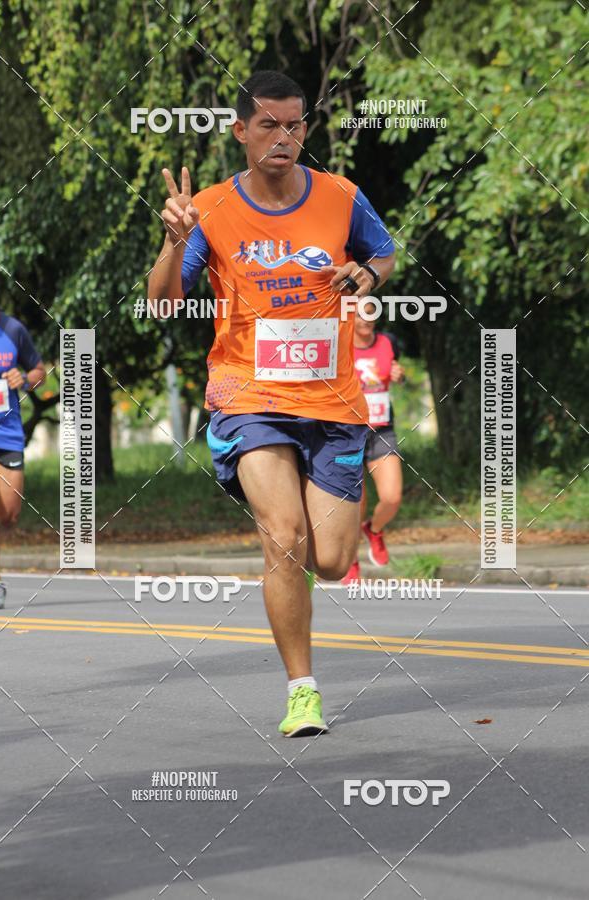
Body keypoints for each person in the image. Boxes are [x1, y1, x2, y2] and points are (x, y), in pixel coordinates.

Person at [148, 71, 395, 736]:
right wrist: (174, 241)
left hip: (334, 401)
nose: (282, 137)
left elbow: (384, 251)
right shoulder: (212, 208)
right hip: (247, 397)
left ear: (304, 131)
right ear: (240, 132)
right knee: (283, 538)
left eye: (293, 126)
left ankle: (305, 584)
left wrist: (367, 274)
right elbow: (162, 302)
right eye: (268, 126)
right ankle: (303, 691)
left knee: (332, 560)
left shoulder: (341, 197)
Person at [0, 272, 46, 609]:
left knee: (7, 515)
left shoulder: (13, 330)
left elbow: (40, 371)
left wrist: (23, 378)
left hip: (8, 432)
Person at [342, 302, 405, 584]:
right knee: (356, 503)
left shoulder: (388, 341)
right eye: (362, 314)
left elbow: (396, 371)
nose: (368, 319)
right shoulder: (340, 343)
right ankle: (350, 560)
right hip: (348, 431)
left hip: (381, 429)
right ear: (350, 316)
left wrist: (398, 376)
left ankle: (375, 529)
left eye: (372, 313)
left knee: (392, 497)